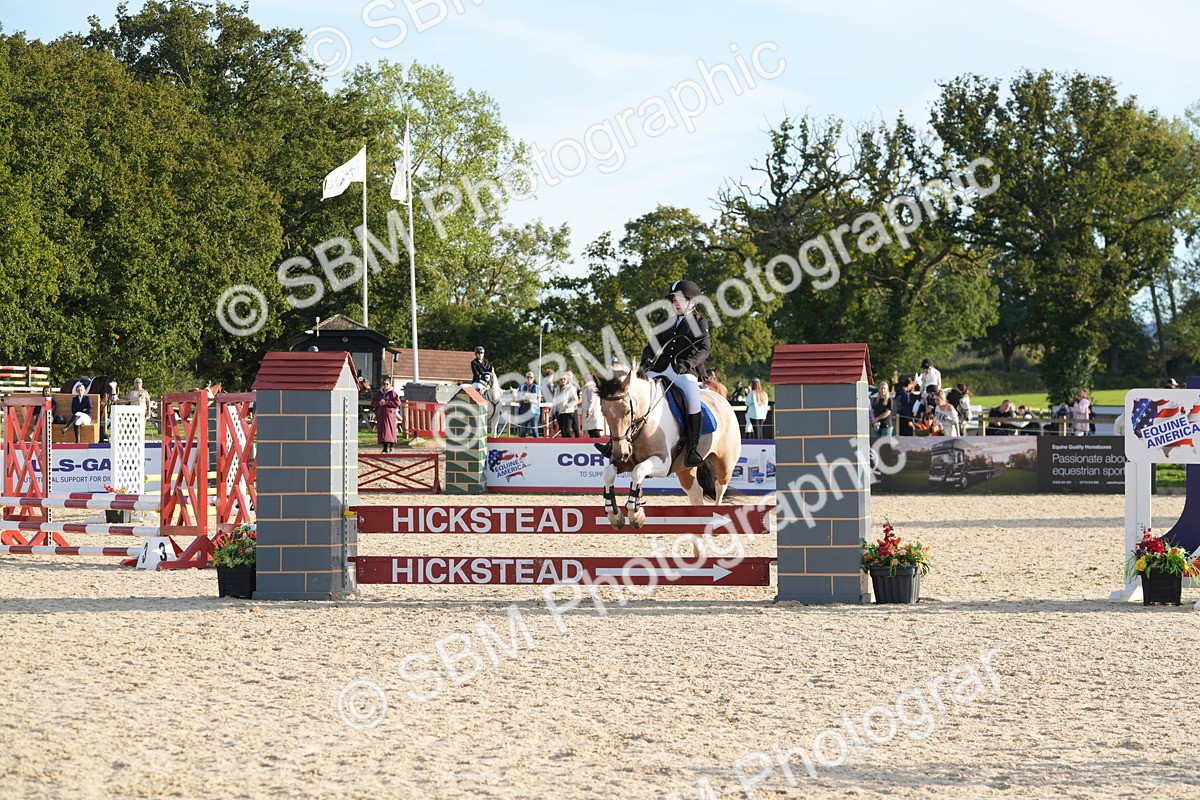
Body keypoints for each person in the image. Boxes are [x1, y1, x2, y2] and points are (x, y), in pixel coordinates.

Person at [596, 279, 712, 466]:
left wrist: (687, 363)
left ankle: (693, 448)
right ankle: (614, 444)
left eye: (679, 300)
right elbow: (651, 345)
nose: (675, 303)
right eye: (673, 300)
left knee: (692, 398)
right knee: (630, 395)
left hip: (684, 371)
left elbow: (704, 348)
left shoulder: (700, 321)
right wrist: (647, 360)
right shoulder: (668, 321)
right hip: (661, 369)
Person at [372, 378, 401, 453]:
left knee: (390, 429)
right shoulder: (379, 393)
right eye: (384, 384)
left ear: (390, 385)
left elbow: (397, 403)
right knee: (383, 430)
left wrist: (387, 402)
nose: (385, 385)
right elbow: (373, 402)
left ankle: (392, 445)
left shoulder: (393, 393)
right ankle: (385, 447)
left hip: (390, 414)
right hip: (381, 414)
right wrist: (379, 403)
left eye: (387, 384)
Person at [551, 373, 580, 438]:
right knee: (562, 430)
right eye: (561, 379)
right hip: (558, 412)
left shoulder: (571, 388)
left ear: (567, 380)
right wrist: (552, 412)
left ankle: (571, 444)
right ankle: (564, 445)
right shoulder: (557, 389)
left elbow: (576, 400)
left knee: (567, 430)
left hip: (567, 411)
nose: (563, 380)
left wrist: (567, 405)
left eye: (564, 379)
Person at [516, 371, 541, 437]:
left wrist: (530, 399)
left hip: (534, 411)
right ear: (525, 378)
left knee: (534, 429)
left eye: (531, 377)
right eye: (527, 377)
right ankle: (522, 446)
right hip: (523, 410)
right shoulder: (521, 387)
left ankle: (538, 445)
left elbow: (539, 401)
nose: (529, 379)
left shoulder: (537, 387)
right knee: (523, 430)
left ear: (533, 378)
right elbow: (517, 398)